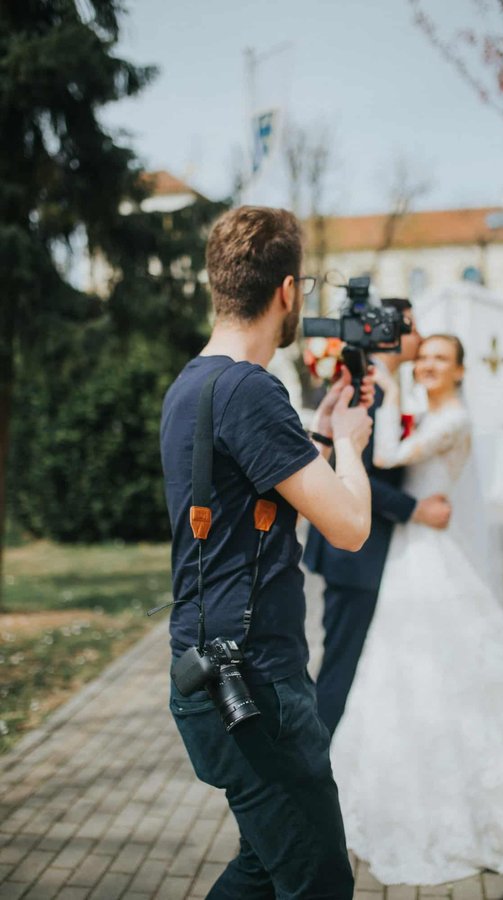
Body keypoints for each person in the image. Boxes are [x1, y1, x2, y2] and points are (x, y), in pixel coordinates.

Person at [160, 206, 375, 899]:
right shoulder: (253, 389)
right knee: (318, 884)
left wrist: (313, 432)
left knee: (264, 866)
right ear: (288, 291)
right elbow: (348, 527)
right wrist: (348, 444)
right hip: (258, 688)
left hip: (204, 674)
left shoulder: (192, 384)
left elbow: (249, 487)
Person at [331, 334, 503, 886]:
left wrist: (385, 386)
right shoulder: (433, 414)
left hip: (430, 556)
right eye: (423, 357)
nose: (428, 365)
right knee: (413, 667)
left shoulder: (452, 418)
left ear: (460, 370)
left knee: (429, 662)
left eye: (440, 360)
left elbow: (383, 458)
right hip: (417, 547)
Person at [303, 301, 451, 735]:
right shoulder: (372, 392)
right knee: (341, 666)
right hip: (355, 555)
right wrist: (416, 509)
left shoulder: (386, 387)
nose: (420, 337)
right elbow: (357, 471)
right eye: (413, 327)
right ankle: (317, 754)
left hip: (375, 552)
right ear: (388, 332)